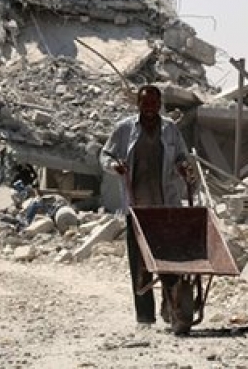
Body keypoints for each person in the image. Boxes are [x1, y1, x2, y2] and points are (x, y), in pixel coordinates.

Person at [100, 84, 197, 328]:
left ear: (160, 104)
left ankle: (172, 304)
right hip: (137, 206)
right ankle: (144, 317)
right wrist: (115, 167)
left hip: (166, 206)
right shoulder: (124, 129)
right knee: (139, 263)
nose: (150, 108)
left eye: (154, 104)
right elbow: (105, 155)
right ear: (138, 105)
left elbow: (182, 157)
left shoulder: (171, 129)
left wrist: (183, 167)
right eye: (145, 104)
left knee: (168, 258)